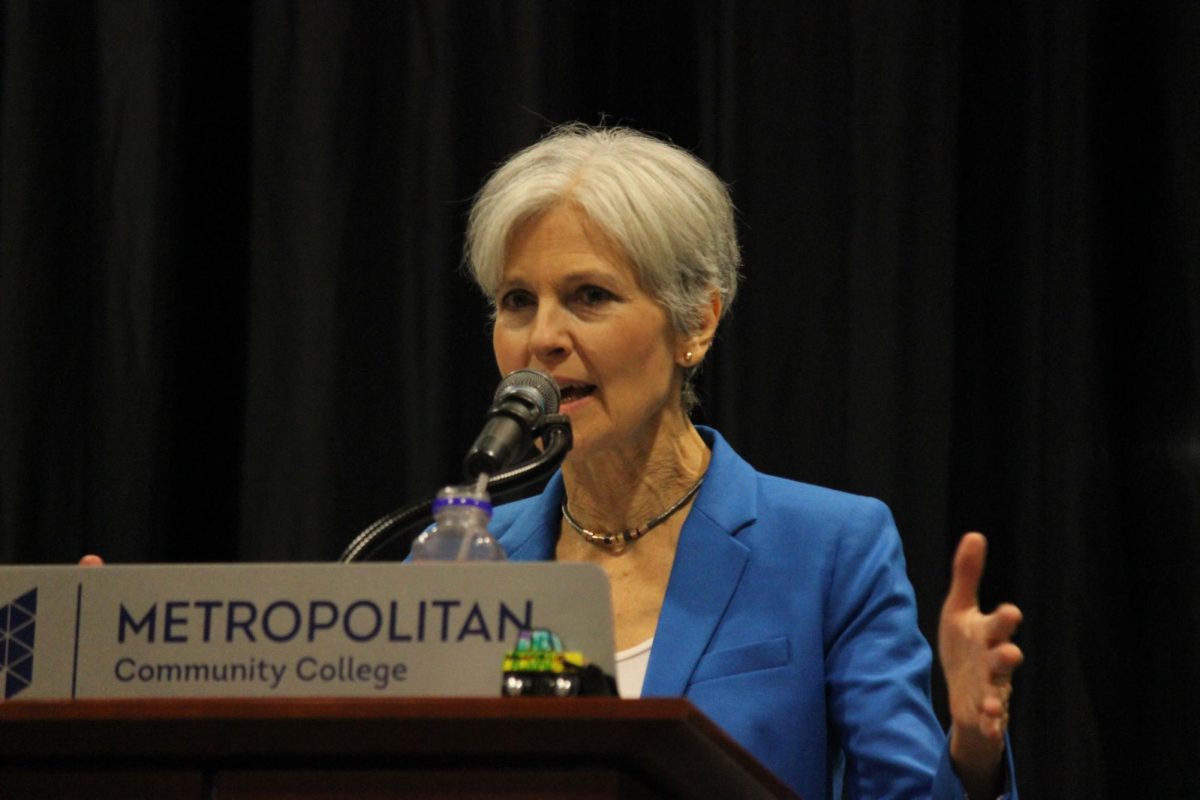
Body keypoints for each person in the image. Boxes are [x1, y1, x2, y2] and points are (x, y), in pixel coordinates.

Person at [464, 123, 1023, 799]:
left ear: (696, 323)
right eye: (518, 301)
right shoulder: (460, 565)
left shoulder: (829, 548)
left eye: (590, 296)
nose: (544, 339)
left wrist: (970, 750)